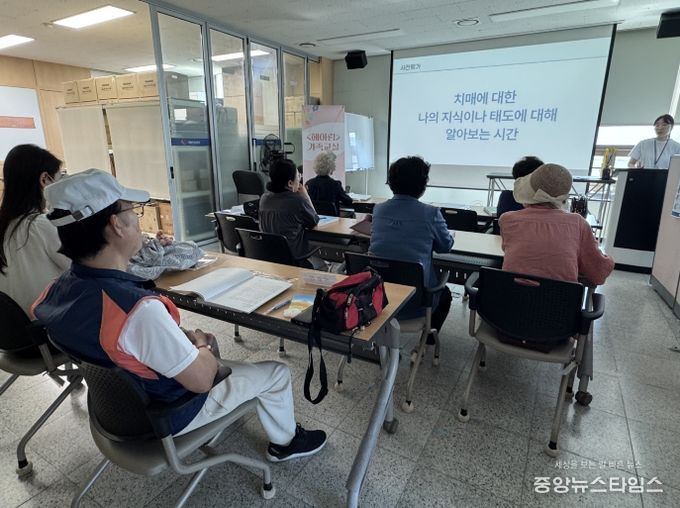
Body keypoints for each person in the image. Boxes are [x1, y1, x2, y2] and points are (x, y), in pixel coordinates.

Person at [33, 169, 326, 462]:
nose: (137, 219)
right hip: (168, 413)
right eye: (132, 210)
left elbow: (115, 345)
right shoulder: (138, 311)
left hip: (116, 413)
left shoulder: (56, 291)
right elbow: (201, 380)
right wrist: (202, 346)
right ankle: (286, 444)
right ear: (116, 225)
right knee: (276, 372)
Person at [369, 156, 454, 338]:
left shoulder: (378, 209)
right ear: (422, 185)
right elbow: (445, 247)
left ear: (391, 182)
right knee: (445, 294)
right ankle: (427, 341)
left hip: (377, 297)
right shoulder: (431, 213)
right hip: (416, 303)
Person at [500, 163, 614, 285]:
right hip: (560, 296)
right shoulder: (578, 223)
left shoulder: (507, 220)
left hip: (510, 295)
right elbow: (599, 274)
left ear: (529, 192)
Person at [0, 144, 70, 314]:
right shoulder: (41, 225)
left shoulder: (6, 224)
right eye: (60, 178)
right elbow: (84, 267)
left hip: (15, 327)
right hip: (48, 322)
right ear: (45, 179)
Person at [259, 158, 326, 270]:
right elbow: (314, 221)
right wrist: (306, 196)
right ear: (290, 183)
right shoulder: (297, 201)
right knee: (323, 266)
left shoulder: (264, 198)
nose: (300, 177)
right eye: (298, 175)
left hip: (269, 257)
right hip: (292, 258)